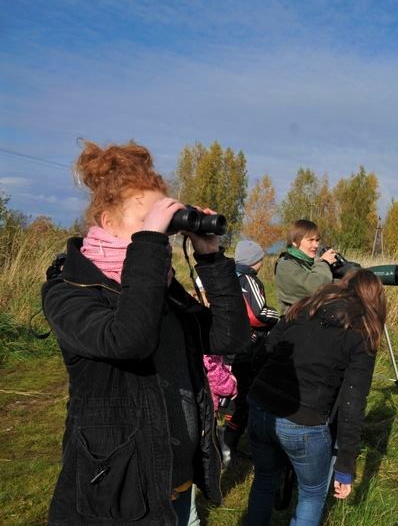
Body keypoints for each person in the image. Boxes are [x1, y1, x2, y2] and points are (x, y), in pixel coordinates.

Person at [42, 140, 250, 524]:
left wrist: (211, 257)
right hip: (118, 493)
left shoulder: (159, 286)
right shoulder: (71, 289)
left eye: (164, 225)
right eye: (146, 223)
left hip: (178, 480)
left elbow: (230, 339)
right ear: (107, 221)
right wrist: (151, 245)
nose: (160, 235)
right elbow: (129, 340)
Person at [245, 269, 387, 525]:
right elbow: (352, 403)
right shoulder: (363, 329)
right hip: (304, 422)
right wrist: (345, 465)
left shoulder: (305, 306)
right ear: (375, 299)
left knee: (265, 480)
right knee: (311, 494)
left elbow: (264, 351)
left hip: (260, 405)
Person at [222, 240, 280, 459]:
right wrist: (277, 318)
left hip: (226, 344)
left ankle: (223, 439)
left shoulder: (230, 275)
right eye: (261, 260)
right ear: (255, 262)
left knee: (228, 392)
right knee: (245, 396)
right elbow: (258, 313)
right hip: (245, 346)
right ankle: (229, 444)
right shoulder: (249, 280)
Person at [274, 219, 339, 314]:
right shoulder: (286, 265)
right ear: (294, 242)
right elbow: (315, 287)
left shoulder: (308, 262)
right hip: (296, 322)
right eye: (311, 240)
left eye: (317, 240)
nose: (316, 245)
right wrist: (324, 262)